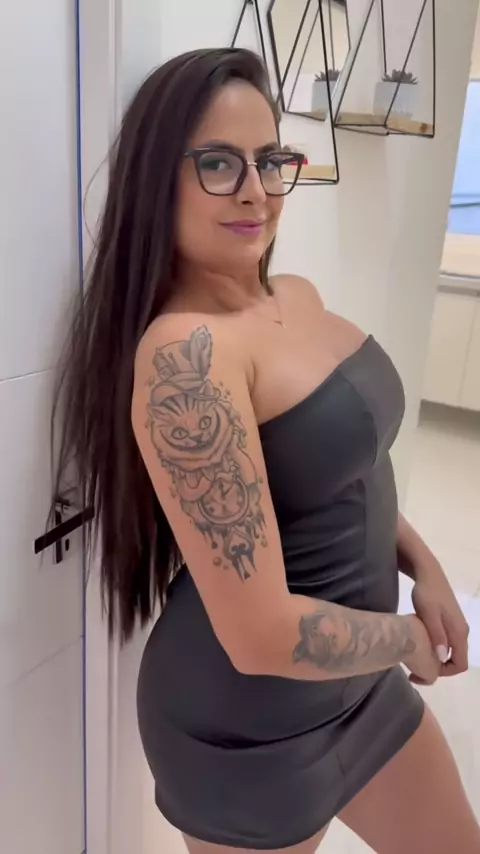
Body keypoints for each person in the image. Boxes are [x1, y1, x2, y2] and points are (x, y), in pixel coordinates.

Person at [55, 48, 480, 853]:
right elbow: (258, 636)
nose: (256, 190)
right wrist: (406, 638)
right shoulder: (187, 357)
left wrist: (424, 567)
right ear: (156, 180)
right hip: (246, 728)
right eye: (218, 163)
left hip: (357, 686)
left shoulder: (295, 296)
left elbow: (350, 477)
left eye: (270, 160)